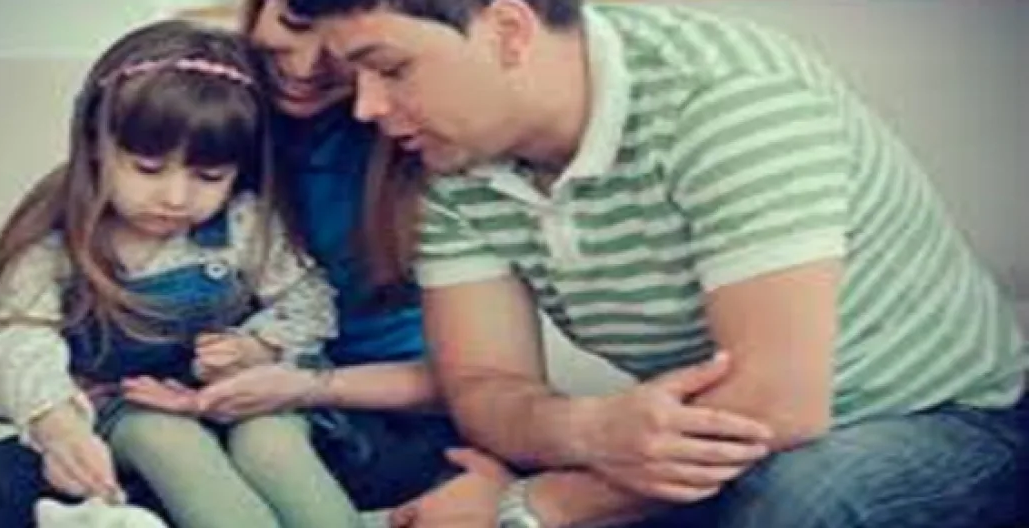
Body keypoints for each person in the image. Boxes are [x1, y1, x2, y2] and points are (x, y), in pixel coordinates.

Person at [286, 0, 1029, 526]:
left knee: (798, 497)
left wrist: (538, 504)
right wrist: (585, 431)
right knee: (448, 479)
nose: (367, 108)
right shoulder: (450, 154)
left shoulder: (729, 98)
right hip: (716, 437)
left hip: (946, 417)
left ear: (508, 30)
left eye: (390, 69)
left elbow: (775, 406)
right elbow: (481, 386)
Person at [0, 1, 463, 525]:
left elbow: (309, 303)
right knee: (13, 477)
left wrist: (261, 351)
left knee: (267, 444)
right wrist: (59, 425)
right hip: (139, 410)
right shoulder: (62, 236)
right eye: (148, 168)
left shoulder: (253, 215)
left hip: (318, 409)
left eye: (209, 177)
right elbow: (25, 338)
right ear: (96, 147)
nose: (176, 198)